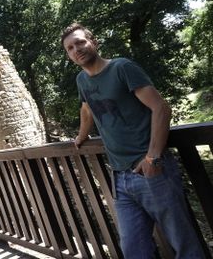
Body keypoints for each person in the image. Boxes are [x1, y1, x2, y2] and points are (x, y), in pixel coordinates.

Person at [60, 22, 205, 259]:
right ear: (69, 55)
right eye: (70, 48)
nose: (76, 49)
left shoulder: (122, 68)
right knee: (133, 249)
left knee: (184, 244)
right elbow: (87, 109)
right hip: (120, 177)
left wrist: (153, 157)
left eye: (80, 42)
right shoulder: (82, 81)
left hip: (151, 170)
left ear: (93, 42)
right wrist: (81, 136)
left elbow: (160, 108)